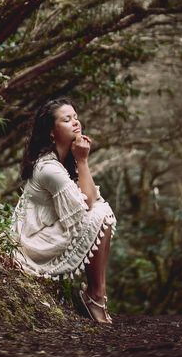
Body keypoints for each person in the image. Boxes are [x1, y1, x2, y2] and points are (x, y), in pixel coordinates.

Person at [11, 98, 117, 324]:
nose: (76, 123)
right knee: (100, 213)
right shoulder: (49, 168)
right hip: (33, 243)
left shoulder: (62, 161)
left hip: (46, 231)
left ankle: (96, 295)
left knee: (102, 211)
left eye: (76, 117)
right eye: (67, 120)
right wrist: (83, 160)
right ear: (51, 132)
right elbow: (86, 204)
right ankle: (95, 296)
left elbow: (88, 198)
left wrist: (79, 160)